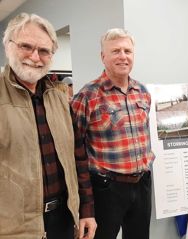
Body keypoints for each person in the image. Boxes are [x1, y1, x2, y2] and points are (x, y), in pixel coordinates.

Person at [0, 13, 96, 238]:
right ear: (8, 47)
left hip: (63, 220)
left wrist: (86, 211)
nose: (35, 57)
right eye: (26, 46)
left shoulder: (60, 98)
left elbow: (78, 157)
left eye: (44, 50)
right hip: (14, 229)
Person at [71, 28, 155, 239]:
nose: (123, 56)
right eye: (116, 51)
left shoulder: (143, 92)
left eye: (127, 51)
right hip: (106, 188)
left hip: (142, 183)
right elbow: (73, 147)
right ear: (103, 57)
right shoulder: (87, 95)